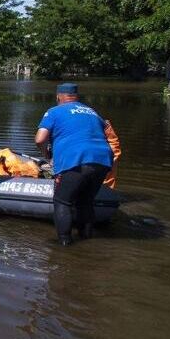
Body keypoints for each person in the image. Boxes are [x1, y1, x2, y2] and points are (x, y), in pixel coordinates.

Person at [34, 82, 114, 245]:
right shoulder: (92, 112)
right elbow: (107, 133)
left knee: (62, 201)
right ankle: (87, 240)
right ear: (76, 97)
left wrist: (47, 155)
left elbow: (40, 139)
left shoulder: (54, 111)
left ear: (58, 96)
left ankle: (65, 242)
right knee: (86, 200)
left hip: (77, 158)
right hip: (103, 159)